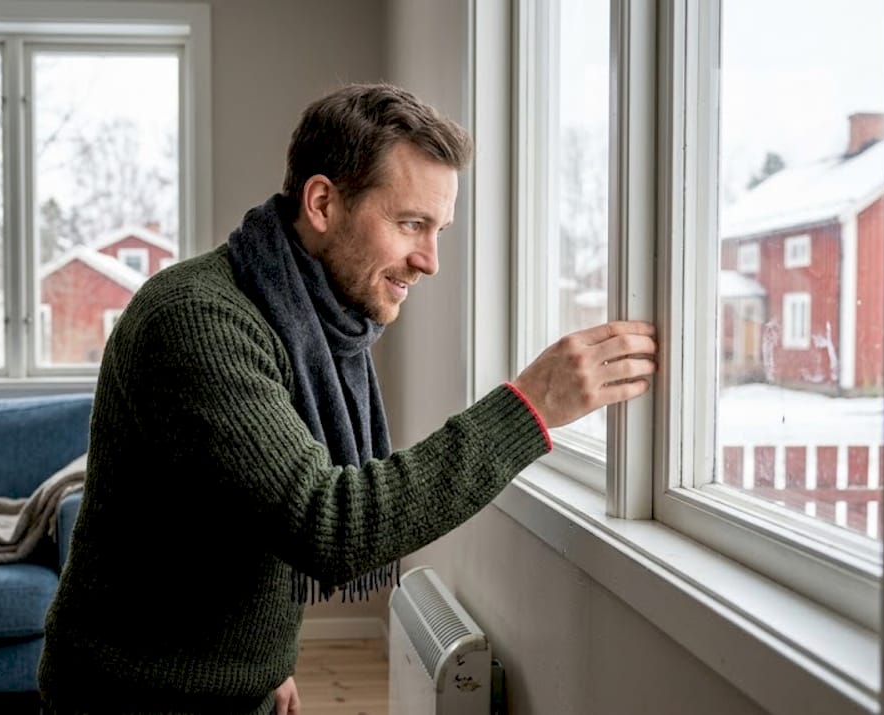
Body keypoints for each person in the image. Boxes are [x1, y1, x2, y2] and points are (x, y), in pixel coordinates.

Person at [38, 82, 656, 715]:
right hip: (133, 701)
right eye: (411, 223)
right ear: (323, 202)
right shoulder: (199, 321)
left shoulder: (307, 317)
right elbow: (325, 522)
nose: (430, 260)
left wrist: (265, 666)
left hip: (228, 690)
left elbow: (248, 509)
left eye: (439, 229)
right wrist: (529, 408)